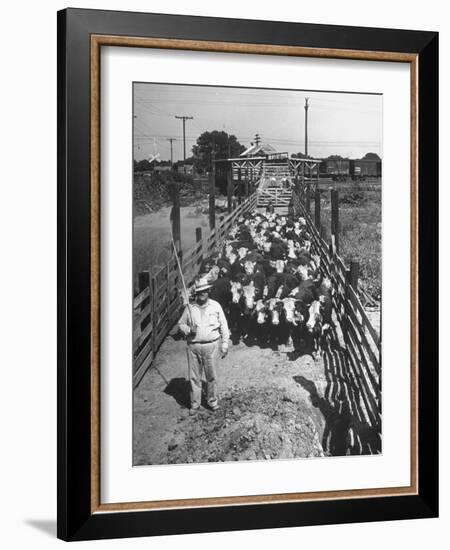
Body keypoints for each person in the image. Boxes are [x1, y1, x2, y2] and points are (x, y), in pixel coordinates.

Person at [178, 277, 230, 415]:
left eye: (205, 291)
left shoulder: (216, 306)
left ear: (209, 291)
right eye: (200, 292)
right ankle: (195, 404)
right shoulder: (190, 308)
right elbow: (181, 324)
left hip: (212, 346)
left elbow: (224, 326)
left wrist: (225, 344)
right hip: (193, 347)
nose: (203, 294)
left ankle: (212, 401)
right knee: (194, 377)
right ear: (196, 293)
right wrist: (189, 330)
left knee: (211, 375)